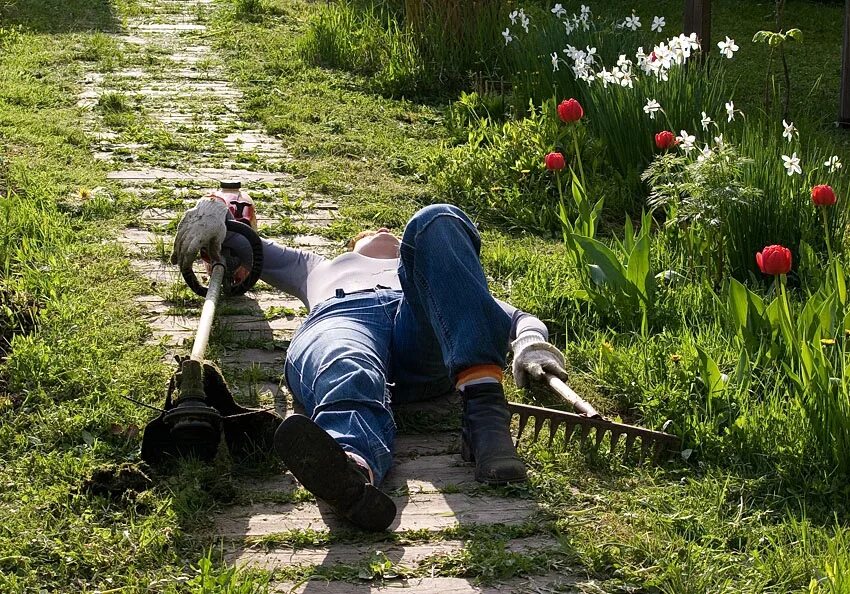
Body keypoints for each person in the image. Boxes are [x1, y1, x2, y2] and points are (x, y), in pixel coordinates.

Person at [170, 200, 568, 531]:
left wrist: (532, 343)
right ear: (354, 244)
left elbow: (509, 317)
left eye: (389, 234)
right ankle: (350, 471)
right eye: (368, 233)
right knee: (347, 361)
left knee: (438, 218)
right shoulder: (318, 266)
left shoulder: (429, 272)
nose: (381, 234)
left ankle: (486, 422)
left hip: (421, 332)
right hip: (343, 318)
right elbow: (246, 243)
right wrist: (215, 212)